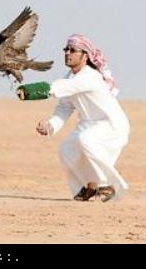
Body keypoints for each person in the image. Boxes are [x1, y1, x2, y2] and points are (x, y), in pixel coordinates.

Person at [17, 34, 129, 202]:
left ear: (85, 55)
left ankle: (108, 184)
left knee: (87, 140)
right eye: (66, 49)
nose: (67, 53)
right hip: (88, 125)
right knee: (67, 149)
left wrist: (34, 90)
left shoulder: (89, 76)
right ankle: (90, 186)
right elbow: (64, 106)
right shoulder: (70, 76)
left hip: (111, 125)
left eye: (73, 50)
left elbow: (62, 88)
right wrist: (51, 126)